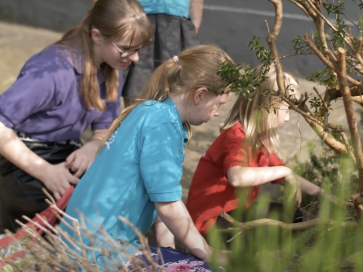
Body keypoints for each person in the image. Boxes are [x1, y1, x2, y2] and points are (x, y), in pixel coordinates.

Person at [0, 0, 152, 232]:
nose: (134, 57)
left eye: (139, 49)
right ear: (97, 36)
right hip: (26, 161)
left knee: (121, 189)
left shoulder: (112, 64)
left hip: (64, 151)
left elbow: (105, 125)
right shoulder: (51, 72)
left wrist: (93, 146)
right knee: (81, 211)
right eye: (126, 49)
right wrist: (45, 172)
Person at [59, 45, 233, 267]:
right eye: (219, 104)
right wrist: (206, 251)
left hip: (78, 242)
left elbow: (158, 195)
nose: (217, 113)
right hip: (98, 252)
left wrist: (167, 248)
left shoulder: (149, 110)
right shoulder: (164, 126)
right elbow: (168, 204)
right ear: (199, 94)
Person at [186, 68, 323, 236]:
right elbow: (237, 177)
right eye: (286, 110)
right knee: (276, 229)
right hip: (211, 225)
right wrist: (285, 172)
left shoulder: (259, 139)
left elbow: (280, 171)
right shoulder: (237, 137)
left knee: (294, 217)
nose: (287, 118)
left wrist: (321, 193)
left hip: (233, 215)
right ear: (267, 106)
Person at [90, 0, 204, 106]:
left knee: (179, 97)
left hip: (177, 23)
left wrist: (191, 26)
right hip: (130, 19)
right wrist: (106, 22)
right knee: (137, 100)